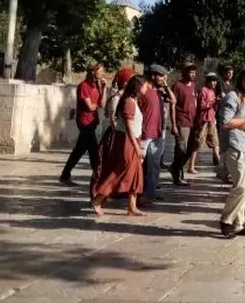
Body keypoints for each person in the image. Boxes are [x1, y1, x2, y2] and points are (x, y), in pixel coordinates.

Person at [91, 73, 146, 216]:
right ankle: (98, 199)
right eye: (144, 85)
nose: (146, 87)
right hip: (128, 141)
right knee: (120, 172)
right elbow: (128, 126)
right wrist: (136, 147)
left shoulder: (134, 101)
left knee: (135, 173)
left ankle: (132, 206)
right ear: (138, 87)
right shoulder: (128, 102)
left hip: (134, 139)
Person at [218, 69, 245, 238]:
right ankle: (226, 220)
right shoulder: (232, 97)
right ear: (240, 81)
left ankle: (238, 224)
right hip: (236, 147)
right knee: (241, 187)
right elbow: (225, 122)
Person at [60, 63, 108, 186]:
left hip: (92, 121)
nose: (103, 74)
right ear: (93, 72)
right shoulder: (83, 86)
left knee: (79, 150)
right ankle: (99, 178)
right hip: (84, 122)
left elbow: (102, 104)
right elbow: (90, 107)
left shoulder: (97, 86)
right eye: (100, 71)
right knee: (94, 151)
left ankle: (65, 175)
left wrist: (104, 89)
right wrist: (97, 103)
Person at [138, 64, 170, 206]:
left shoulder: (158, 92)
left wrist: (166, 86)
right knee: (138, 165)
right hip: (145, 134)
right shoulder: (144, 91)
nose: (164, 79)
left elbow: (173, 101)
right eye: (161, 76)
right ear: (153, 76)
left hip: (157, 133)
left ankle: (149, 193)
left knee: (154, 166)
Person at [169, 63, 197, 186]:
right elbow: (172, 105)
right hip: (181, 121)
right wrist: (174, 124)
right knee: (181, 149)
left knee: (191, 148)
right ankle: (177, 176)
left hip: (192, 122)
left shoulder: (193, 86)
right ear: (184, 72)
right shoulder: (177, 86)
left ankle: (174, 167)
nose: (193, 74)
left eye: (194, 72)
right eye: (190, 72)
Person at [188, 73, 220, 174]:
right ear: (208, 81)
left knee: (215, 142)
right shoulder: (203, 91)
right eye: (212, 81)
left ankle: (220, 164)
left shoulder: (212, 91)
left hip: (211, 120)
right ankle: (191, 166)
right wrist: (213, 102)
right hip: (203, 121)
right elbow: (202, 105)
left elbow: (213, 107)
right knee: (198, 143)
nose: (214, 83)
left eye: (215, 81)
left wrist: (216, 103)